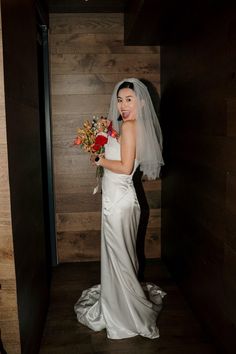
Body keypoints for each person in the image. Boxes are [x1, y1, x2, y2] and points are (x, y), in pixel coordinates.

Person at [74, 78, 166, 339]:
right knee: (122, 254)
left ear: (141, 102)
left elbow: (126, 168)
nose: (123, 105)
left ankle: (126, 313)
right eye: (120, 99)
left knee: (120, 255)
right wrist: (103, 145)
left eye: (129, 99)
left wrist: (100, 159)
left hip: (119, 203)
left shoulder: (129, 126)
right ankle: (121, 301)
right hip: (121, 200)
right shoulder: (127, 127)